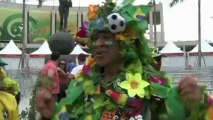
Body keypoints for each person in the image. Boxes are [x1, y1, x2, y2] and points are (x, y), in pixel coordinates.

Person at [50, 0, 212, 119]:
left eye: (106, 37)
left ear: (125, 43)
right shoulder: (83, 84)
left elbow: (176, 113)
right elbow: (65, 114)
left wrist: (195, 104)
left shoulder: (148, 86)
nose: (98, 44)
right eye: (96, 38)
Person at [35, 51, 62, 119]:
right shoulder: (52, 66)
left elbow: (41, 75)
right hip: (51, 94)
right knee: (51, 113)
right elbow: (50, 75)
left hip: (44, 92)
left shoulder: (47, 65)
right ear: (58, 59)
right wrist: (53, 84)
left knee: (44, 113)